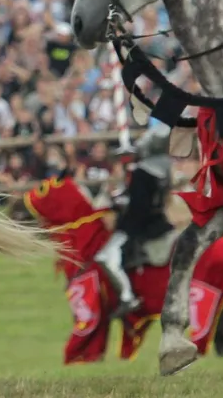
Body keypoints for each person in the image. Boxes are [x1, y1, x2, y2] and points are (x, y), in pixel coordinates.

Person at [95, 125, 173, 318]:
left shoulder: (143, 172)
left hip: (139, 226)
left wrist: (120, 204)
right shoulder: (164, 167)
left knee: (105, 257)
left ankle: (127, 297)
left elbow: (138, 205)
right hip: (158, 219)